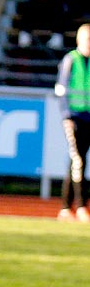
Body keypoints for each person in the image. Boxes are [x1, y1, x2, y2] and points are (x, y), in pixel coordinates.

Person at [54, 22, 90, 222]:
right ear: (79, 40)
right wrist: (66, 116)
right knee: (78, 160)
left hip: (89, 117)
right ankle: (80, 206)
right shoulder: (71, 59)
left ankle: (66, 207)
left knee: (77, 161)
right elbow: (61, 90)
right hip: (75, 117)